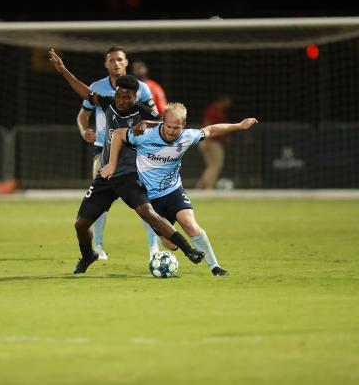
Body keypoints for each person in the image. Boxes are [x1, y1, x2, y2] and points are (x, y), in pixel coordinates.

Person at [49, 49, 205, 274]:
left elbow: (165, 124)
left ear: (135, 96)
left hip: (131, 174)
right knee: (80, 224)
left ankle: (189, 250)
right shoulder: (107, 103)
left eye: (127, 97)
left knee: (148, 213)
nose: (121, 100)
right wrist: (63, 70)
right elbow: (85, 93)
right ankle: (89, 255)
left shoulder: (143, 113)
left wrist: (149, 124)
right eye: (119, 95)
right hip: (106, 174)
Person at [100, 102, 258, 276]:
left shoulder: (187, 136)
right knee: (170, 244)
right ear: (162, 122)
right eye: (168, 126)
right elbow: (119, 134)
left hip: (173, 190)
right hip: (150, 199)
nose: (171, 131)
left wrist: (239, 126)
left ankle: (215, 267)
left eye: (176, 127)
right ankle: (166, 240)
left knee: (190, 224)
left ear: (183, 126)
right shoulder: (145, 134)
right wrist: (112, 164)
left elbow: (211, 130)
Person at [76, 46, 160, 261]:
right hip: (103, 148)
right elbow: (83, 116)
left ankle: (153, 246)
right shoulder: (97, 87)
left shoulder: (141, 88)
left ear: (126, 62)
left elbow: (155, 117)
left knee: (145, 198)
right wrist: (84, 130)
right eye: (112, 60)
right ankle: (98, 245)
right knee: (99, 194)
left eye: (120, 59)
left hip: (135, 149)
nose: (116, 63)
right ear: (106, 63)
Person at [196, 95, 233, 189]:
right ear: (224, 100)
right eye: (228, 100)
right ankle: (208, 187)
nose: (229, 103)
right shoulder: (213, 109)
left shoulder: (219, 110)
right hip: (210, 141)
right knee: (215, 165)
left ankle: (200, 186)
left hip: (211, 141)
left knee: (211, 166)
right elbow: (206, 125)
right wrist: (205, 141)